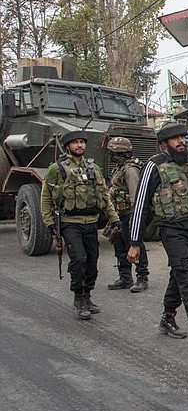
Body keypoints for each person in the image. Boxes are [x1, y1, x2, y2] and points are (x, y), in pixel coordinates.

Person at [127, 121, 188, 355]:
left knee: (179, 274)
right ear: (164, 143)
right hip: (172, 230)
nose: (181, 141)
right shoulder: (154, 166)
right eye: (176, 139)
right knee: (185, 275)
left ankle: (168, 316)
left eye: (183, 137)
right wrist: (134, 242)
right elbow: (140, 206)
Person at [41, 130, 120, 320]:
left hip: (91, 222)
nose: (79, 146)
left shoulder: (94, 168)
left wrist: (114, 218)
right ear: (68, 146)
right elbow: (46, 197)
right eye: (75, 143)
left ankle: (88, 295)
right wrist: (49, 222)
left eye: (82, 143)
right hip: (70, 223)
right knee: (78, 259)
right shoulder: (57, 169)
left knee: (92, 262)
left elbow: (104, 196)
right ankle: (78, 297)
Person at [106, 136, 149, 293]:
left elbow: (135, 196)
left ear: (123, 154)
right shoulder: (119, 168)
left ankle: (142, 277)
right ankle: (125, 277)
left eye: (115, 154)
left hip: (128, 214)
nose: (112, 157)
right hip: (118, 214)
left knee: (134, 246)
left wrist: (134, 219)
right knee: (119, 246)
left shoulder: (131, 170)